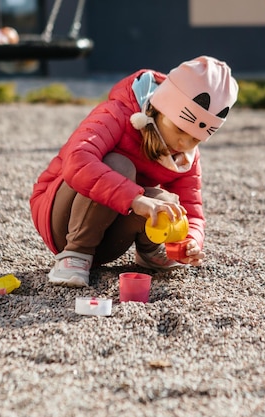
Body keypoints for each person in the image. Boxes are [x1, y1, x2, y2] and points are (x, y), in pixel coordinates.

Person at [30, 56, 238, 287]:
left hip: (109, 241)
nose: (184, 142)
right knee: (119, 165)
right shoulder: (117, 113)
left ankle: (150, 252)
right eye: (179, 128)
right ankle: (75, 255)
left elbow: (192, 208)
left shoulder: (184, 155)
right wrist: (136, 200)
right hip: (62, 221)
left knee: (166, 201)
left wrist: (189, 242)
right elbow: (77, 162)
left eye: (197, 139)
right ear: (160, 108)